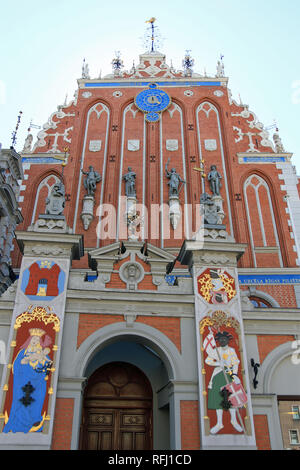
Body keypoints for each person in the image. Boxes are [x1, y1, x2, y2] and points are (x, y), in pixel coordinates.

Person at [3, 328, 52, 433]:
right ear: (30, 340)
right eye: (33, 339)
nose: (35, 341)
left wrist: (40, 362)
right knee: (22, 400)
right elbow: (16, 366)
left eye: (38, 340)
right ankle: (18, 424)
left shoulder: (42, 353)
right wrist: (25, 361)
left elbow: (46, 366)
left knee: (37, 398)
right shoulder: (23, 352)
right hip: (23, 381)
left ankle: (34, 420)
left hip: (37, 383)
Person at [205, 331, 243, 434]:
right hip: (218, 376)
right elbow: (207, 360)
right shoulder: (216, 350)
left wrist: (234, 375)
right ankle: (219, 423)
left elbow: (235, 363)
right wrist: (218, 363)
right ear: (218, 341)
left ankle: (234, 421)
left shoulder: (231, 350)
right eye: (220, 339)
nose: (222, 340)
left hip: (229, 375)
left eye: (224, 339)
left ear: (227, 340)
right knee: (218, 400)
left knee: (232, 398)